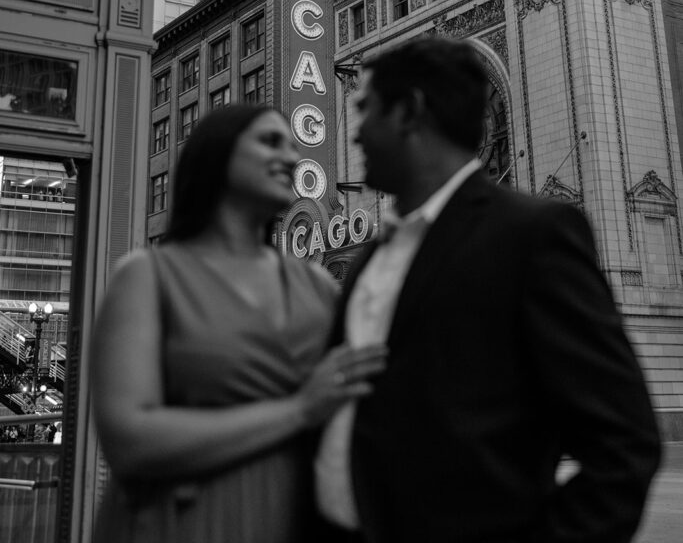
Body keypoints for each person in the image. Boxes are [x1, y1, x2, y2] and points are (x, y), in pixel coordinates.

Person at [315, 36, 661, 543]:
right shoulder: (368, 253)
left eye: (365, 109)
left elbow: (624, 448)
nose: (356, 134)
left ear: (410, 112)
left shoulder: (534, 235)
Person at [90, 105, 386, 543]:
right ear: (217, 156)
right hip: (179, 523)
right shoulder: (147, 277)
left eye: (292, 145)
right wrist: (299, 410)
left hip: (294, 518)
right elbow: (130, 441)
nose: (290, 157)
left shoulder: (316, 284)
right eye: (270, 141)